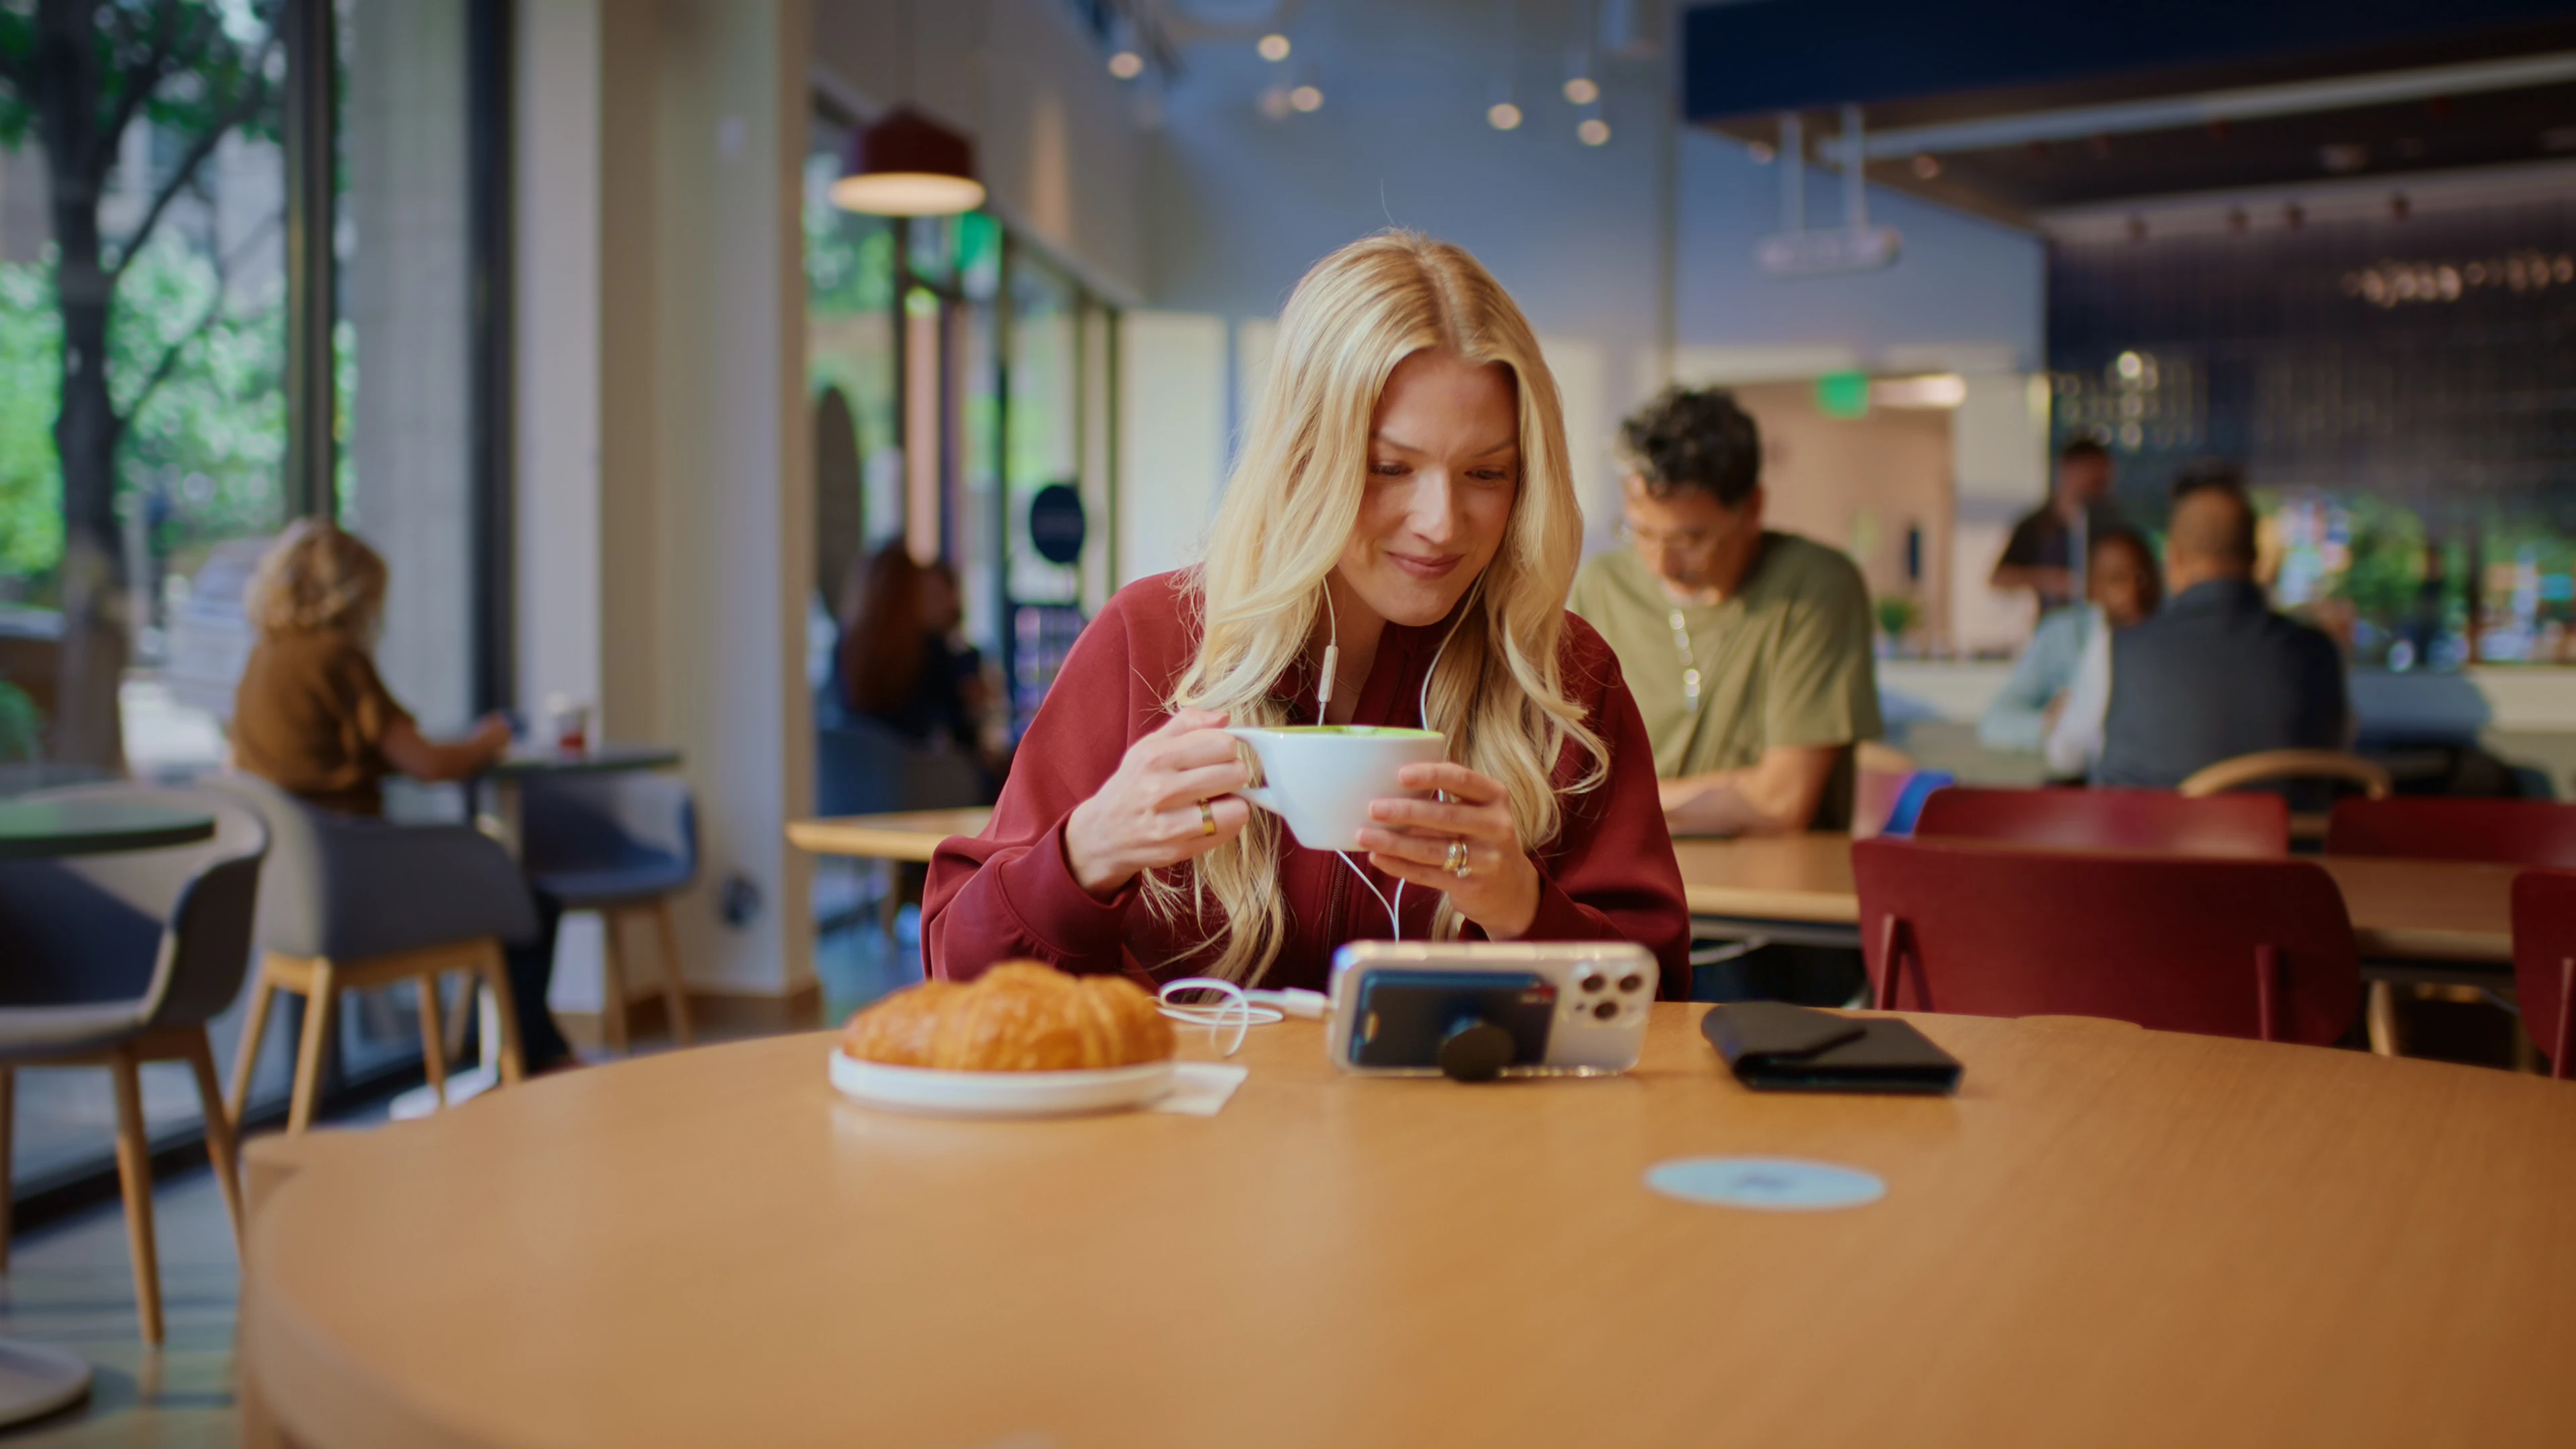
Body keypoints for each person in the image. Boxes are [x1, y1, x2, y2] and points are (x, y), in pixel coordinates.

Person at [922, 231, 1689, 991]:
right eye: (1390, 468)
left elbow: (1660, 1000)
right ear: (1301, 458)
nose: (1442, 522)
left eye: (1486, 473)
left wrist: (1522, 907)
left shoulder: (1564, 675)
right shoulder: (1151, 639)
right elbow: (958, 970)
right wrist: (1086, 852)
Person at [229, 519, 578, 1073]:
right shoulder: (336, 659)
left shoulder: (261, 661)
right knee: (529, 901)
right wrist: (493, 736)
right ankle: (535, 1062)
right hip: (354, 892)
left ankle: (537, 1054)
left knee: (511, 893)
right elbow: (430, 765)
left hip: (291, 897)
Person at [1565, 387, 1882, 836]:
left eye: (1690, 540)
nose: (1661, 562)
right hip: (1629, 881)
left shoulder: (1813, 588)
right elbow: (1566, 784)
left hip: (1770, 892)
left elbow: (1781, 802)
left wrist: (1619, 798)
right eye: (1641, 532)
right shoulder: (1603, 586)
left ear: (1752, 508)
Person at [2090, 472, 2349, 790]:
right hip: (2283, 839)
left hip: (2155, 838)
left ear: (2174, 560)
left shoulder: (2122, 650)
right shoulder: (2318, 654)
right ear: (2256, 560)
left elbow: (2071, 753)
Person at [1978, 527, 2161, 775]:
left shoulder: (2171, 643)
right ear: (2092, 588)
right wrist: (2052, 724)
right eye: (2117, 579)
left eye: (2141, 578)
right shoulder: (2063, 637)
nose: (2131, 592)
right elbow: (1996, 720)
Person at [836, 543, 989, 753]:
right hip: (913, 778)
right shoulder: (928, 649)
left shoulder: (844, 649)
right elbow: (963, 735)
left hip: (855, 776)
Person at [1992, 439, 2117, 612]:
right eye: (2094, 479)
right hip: (2054, 624)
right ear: (2069, 469)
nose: (2101, 488)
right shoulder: (2037, 525)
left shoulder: (2108, 527)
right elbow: (2000, 577)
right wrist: (2049, 580)